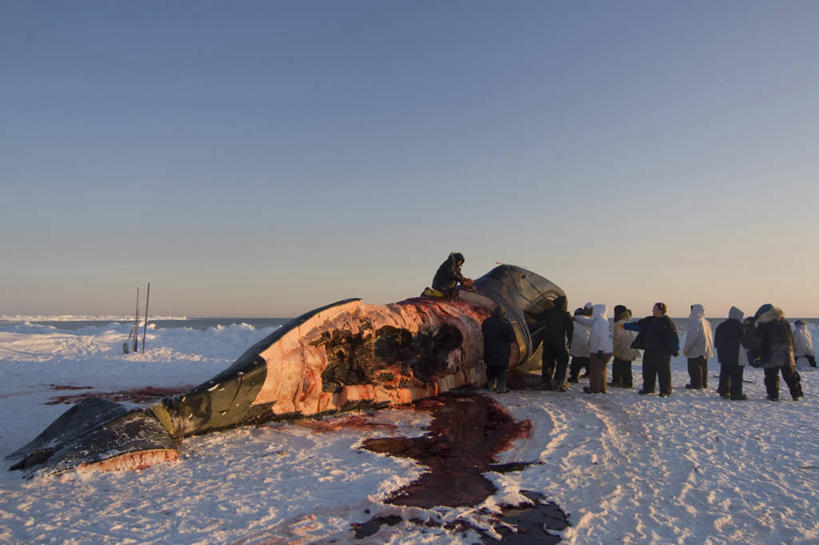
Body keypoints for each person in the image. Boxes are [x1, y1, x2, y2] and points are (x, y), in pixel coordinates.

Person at [744, 304, 803, 401]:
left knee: (771, 376)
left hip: (770, 354)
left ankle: (773, 395)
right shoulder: (784, 323)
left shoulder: (764, 324)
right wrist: (792, 351)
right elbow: (791, 339)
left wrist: (756, 354)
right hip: (787, 353)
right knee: (790, 375)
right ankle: (797, 394)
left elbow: (759, 341)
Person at [624, 302, 679, 398]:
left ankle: (665, 391)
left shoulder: (667, 322)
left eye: (654, 309)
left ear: (660, 310)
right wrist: (625, 325)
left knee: (664, 372)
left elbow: (673, 336)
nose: (652, 310)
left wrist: (675, 349)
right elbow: (638, 326)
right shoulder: (649, 320)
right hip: (649, 350)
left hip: (663, 352)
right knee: (648, 370)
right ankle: (648, 388)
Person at [714, 306, 748, 400]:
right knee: (737, 375)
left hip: (723, 355)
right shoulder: (740, 326)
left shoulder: (721, 325)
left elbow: (716, 341)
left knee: (724, 373)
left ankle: (723, 391)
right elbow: (745, 341)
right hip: (736, 355)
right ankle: (736, 394)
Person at [481, 306, 516, 393]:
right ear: (502, 314)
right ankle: (501, 387)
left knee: (490, 369)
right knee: (501, 370)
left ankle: (490, 386)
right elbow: (511, 339)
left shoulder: (486, 322)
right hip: (502, 354)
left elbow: (482, 332)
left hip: (489, 352)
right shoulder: (505, 324)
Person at [683, 304, 714, 389]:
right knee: (703, 367)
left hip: (696, 349)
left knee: (694, 368)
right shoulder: (706, 322)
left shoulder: (695, 322)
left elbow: (691, 337)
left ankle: (696, 384)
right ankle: (703, 383)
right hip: (705, 349)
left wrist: (686, 348)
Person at [583, 304, 613, 393]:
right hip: (606, 350)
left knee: (595, 371)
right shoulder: (603, 321)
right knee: (601, 370)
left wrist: (600, 349)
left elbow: (603, 337)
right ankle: (602, 388)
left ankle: (594, 389)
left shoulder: (600, 322)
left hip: (599, 350)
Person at [610, 305, 640, 388]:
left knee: (621, 365)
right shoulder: (626, 322)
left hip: (623, 348)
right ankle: (624, 381)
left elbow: (619, 338)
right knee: (625, 365)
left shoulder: (620, 323)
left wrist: (616, 349)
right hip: (629, 347)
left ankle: (622, 382)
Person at [568, 307, 592, 383]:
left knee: (576, 362)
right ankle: (589, 373)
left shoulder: (573, 322)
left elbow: (569, 334)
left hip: (577, 347)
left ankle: (574, 377)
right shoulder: (590, 321)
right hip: (588, 347)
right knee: (588, 361)